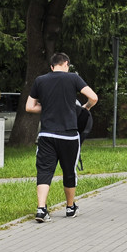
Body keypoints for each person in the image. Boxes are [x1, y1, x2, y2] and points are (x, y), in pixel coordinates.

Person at [26, 52, 98, 223]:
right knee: (69, 171)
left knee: (44, 171)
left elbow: (29, 107)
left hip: (47, 134)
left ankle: (41, 209)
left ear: (52, 66)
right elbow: (93, 97)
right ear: (66, 64)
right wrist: (84, 108)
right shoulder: (73, 78)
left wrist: (48, 107)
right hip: (69, 136)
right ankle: (70, 207)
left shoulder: (40, 80)